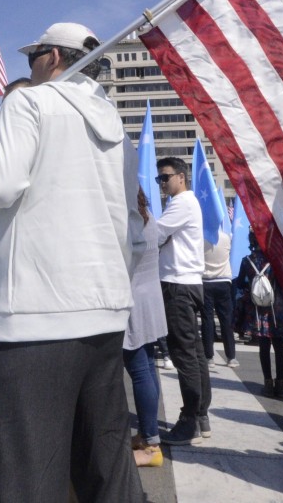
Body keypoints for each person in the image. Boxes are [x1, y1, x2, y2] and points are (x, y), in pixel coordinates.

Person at [0, 22, 144, 503]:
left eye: (33, 55)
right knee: (104, 469)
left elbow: (0, 184)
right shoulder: (116, 129)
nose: (29, 66)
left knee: (22, 474)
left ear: (53, 56)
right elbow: (133, 230)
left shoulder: (28, 102)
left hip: (31, 319)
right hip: (104, 315)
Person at [155, 156, 211, 446]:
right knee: (195, 353)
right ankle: (200, 415)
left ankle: (190, 421)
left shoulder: (181, 203)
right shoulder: (185, 203)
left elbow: (156, 234)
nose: (162, 183)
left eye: (165, 177)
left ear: (181, 177)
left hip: (178, 284)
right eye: (159, 179)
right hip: (187, 283)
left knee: (184, 354)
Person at [123, 188, 168, 468]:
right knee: (148, 369)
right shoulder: (148, 218)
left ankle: (151, 446)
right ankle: (147, 434)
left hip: (134, 303)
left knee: (140, 371)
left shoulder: (130, 223)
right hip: (150, 300)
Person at [239, 230, 283, 399]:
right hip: (276, 308)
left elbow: (241, 284)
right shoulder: (275, 261)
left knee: (263, 346)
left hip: (257, 309)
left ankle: (267, 383)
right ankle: (280, 384)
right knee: (279, 346)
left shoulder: (247, 261)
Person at [201, 231, 238, 368]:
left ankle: (209, 356)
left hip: (206, 280)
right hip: (223, 280)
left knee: (207, 319)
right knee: (226, 320)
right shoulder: (226, 237)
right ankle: (231, 356)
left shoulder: (201, 238)